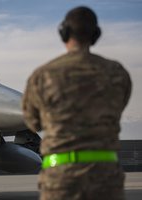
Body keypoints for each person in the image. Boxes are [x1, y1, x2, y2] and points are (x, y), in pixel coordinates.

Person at [22, 6, 132, 200]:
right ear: (96, 34)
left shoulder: (42, 76)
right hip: (106, 180)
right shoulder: (117, 73)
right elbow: (117, 108)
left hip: (61, 181)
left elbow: (33, 123)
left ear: (63, 33)